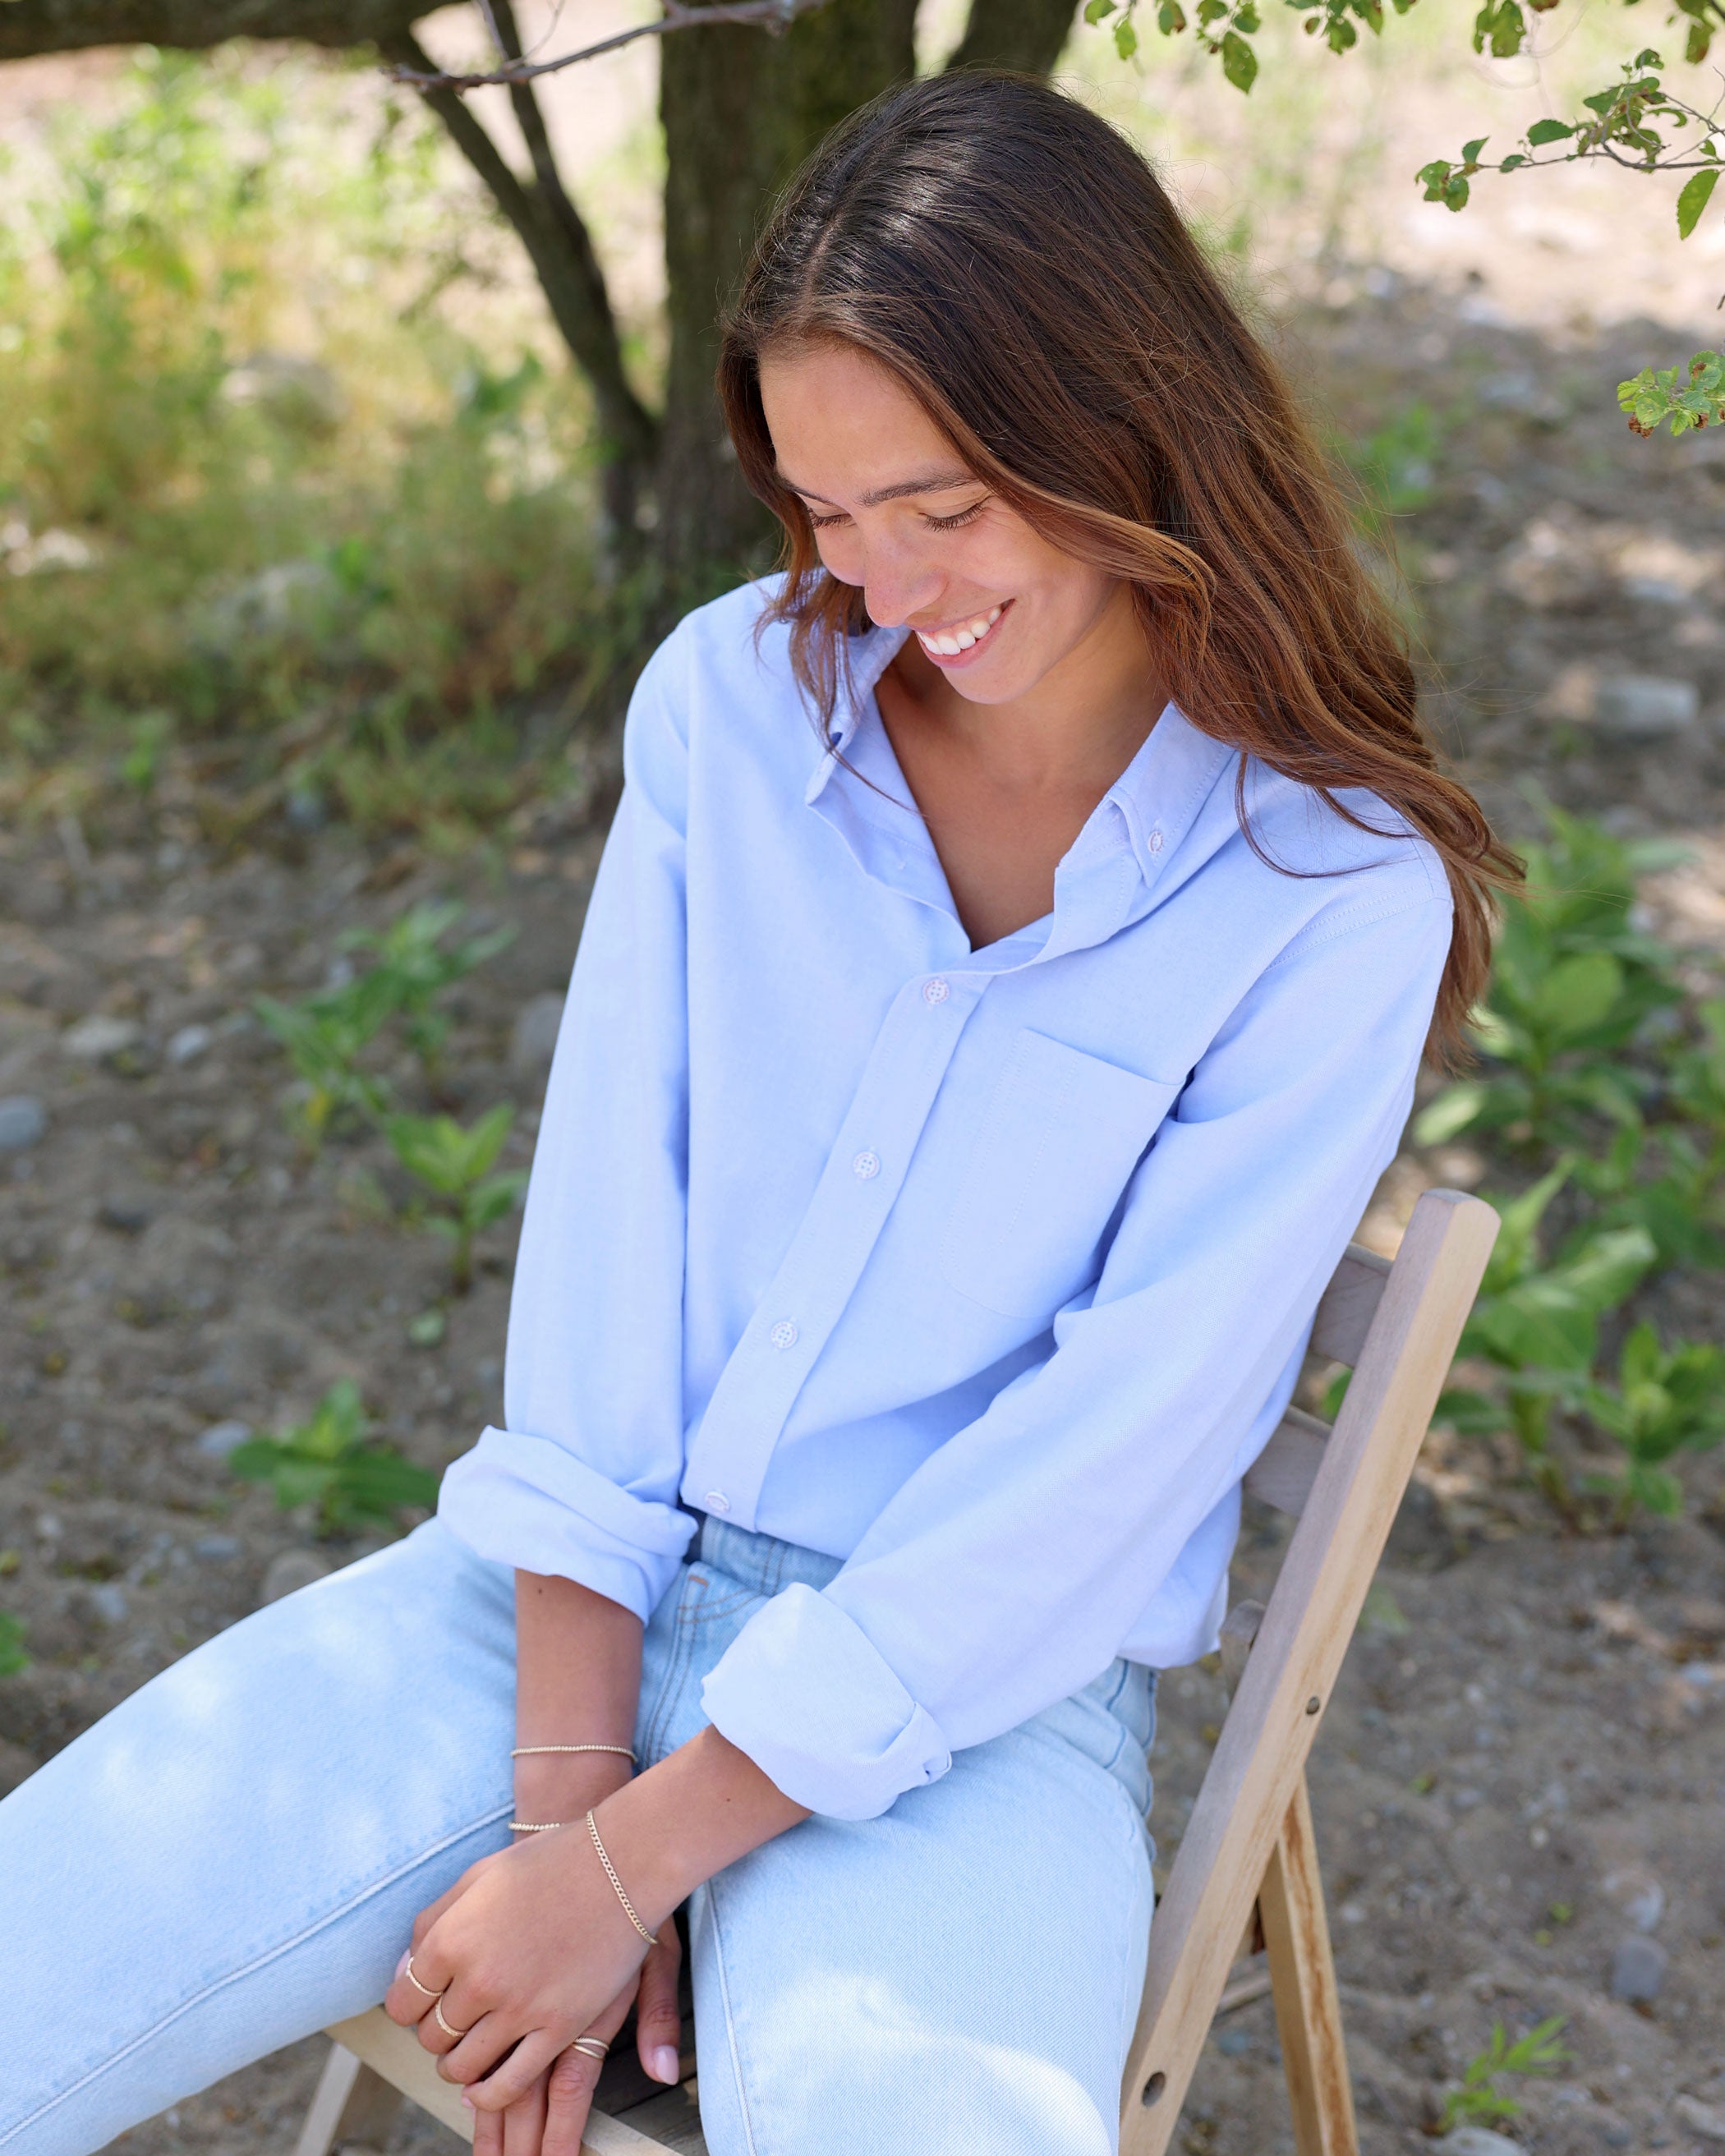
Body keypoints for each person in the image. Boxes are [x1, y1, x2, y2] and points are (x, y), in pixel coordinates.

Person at [4, 68, 1513, 2156]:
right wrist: (569, 1808)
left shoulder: (1330, 895)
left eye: (944, 507)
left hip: (971, 1715)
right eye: (822, 510)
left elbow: (1097, 1470)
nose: (880, 582)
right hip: (553, 1619)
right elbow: (610, 1242)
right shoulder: (734, 703)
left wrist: (634, 1865)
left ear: (1128, 426)